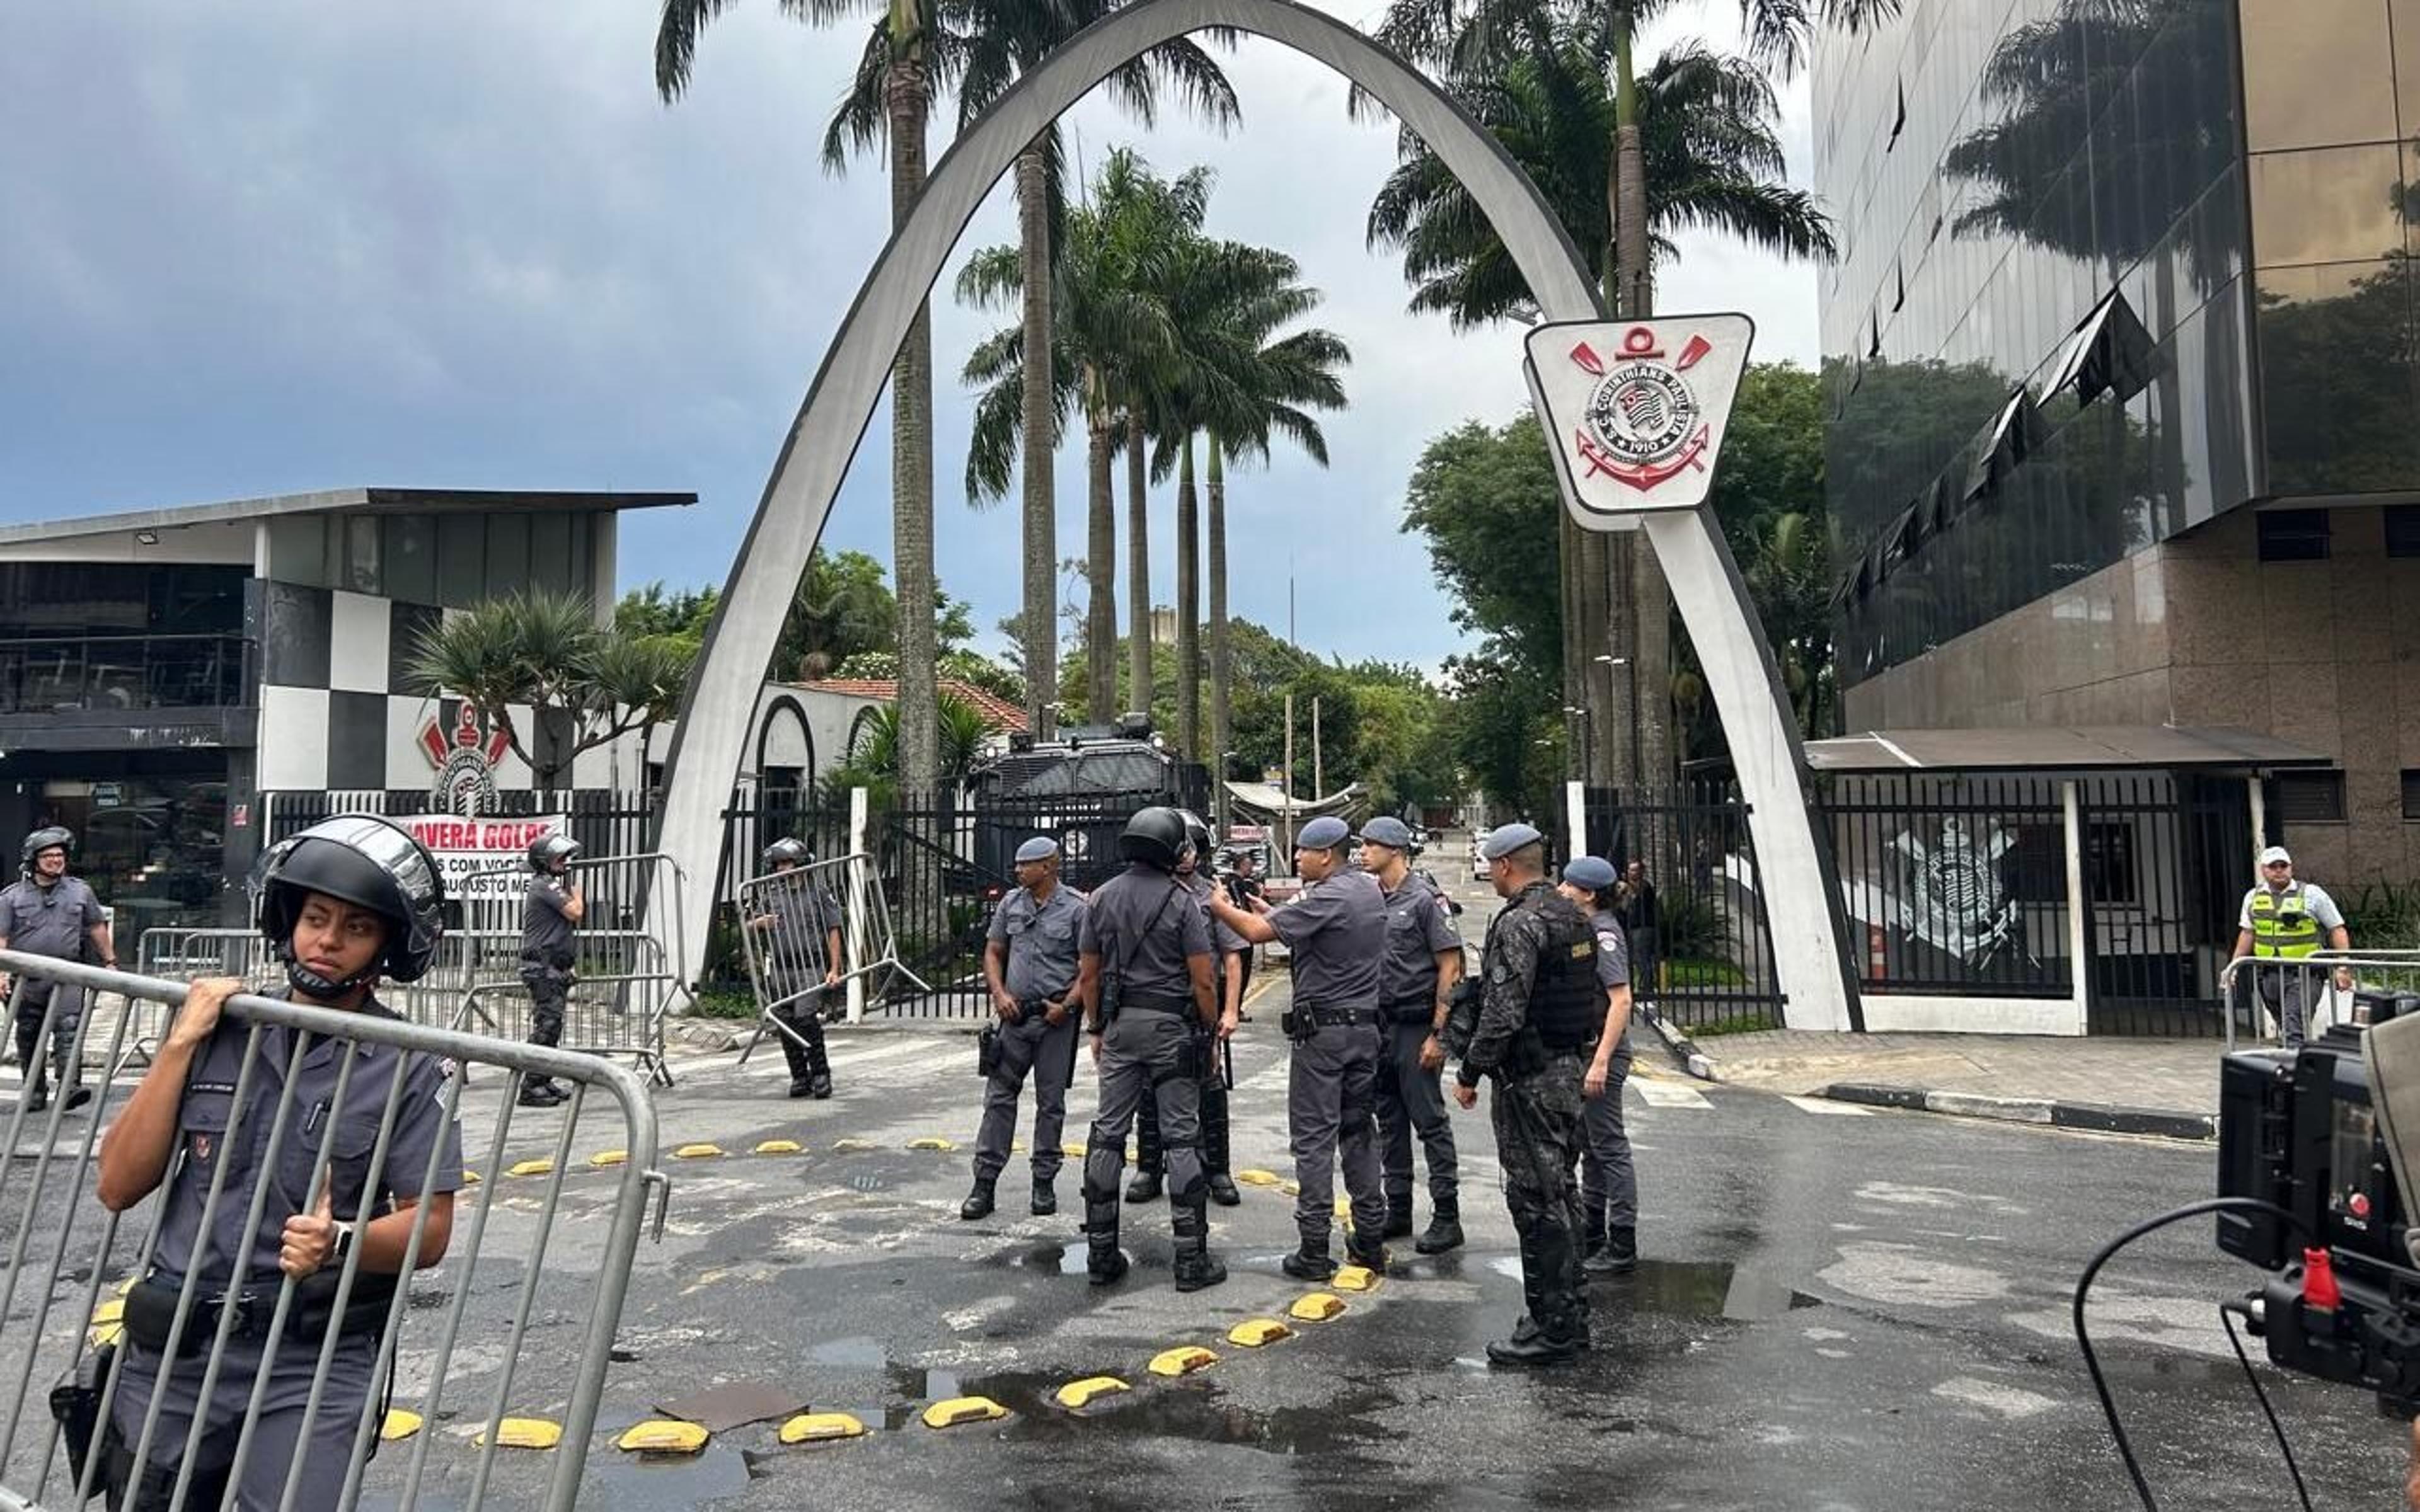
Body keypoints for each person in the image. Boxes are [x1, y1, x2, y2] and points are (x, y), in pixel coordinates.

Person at [93, 814, 463, 1508]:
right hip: (177, 1348)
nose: (328, 941)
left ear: (387, 945)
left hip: (310, 1360)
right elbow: (116, 1186)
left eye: (357, 928)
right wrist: (178, 1046)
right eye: (317, 917)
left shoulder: (410, 1063)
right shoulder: (221, 1031)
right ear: (287, 920)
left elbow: (430, 1229)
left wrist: (339, 1242)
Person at [1209, 814, 1391, 1281]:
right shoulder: (1366, 890)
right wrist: (1271, 913)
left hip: (1324, 1037)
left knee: (1313, 1138)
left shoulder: (1328, 896)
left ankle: (1313, 1247)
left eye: (1302, 851)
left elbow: (1251, 935)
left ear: (1326, 855)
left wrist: (1219, 905)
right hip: (1364, 1031)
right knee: (1359, 1132)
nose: (1295, 857)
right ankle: (1370, 1236)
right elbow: (1316, 934)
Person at [1444, 822, 1599, 1366]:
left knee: (1535, 1199)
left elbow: (1505, 1012)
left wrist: (1470, 1071)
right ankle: (1570, 1314)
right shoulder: (1571, 916)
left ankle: (1550, 1329)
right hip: (1567, 1069)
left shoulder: (1522, 922)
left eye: (1490, 864)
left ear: (1508, 864)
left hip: (1531, 1080)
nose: (1487, 873)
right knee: (1562, 1192)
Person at [1076, 807, 1228, 1292]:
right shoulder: (1183, 903)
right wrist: (1208, 1030)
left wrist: (1098, 1026)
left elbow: (1088, 975)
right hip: (1172, 1029)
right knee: (1181, 1136)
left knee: (1108, 1133)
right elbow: (1204, 978)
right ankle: (1190, 1259)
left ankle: (1101, 1255)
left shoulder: (1101, 899)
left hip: (1121, 1028)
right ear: (1172, 849)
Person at [1357, 815, 1465, 1255]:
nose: (1363, 852)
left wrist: (1440, 1033)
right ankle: (1397, 1208)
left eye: (1371, 845)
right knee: (1390, 1122)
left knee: (1430, 1121)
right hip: (1380, 1024)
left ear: (1396, 850)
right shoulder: (1371, 897)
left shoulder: (1424, 899)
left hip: (1417, 1023)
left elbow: (1451, 965)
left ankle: (1447, 1215)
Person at [962, 836, 1085, 1220]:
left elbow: (1090, 967)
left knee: (1051, 1104)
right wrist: (998, 994)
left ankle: (1043, 1183)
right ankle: (984, 1184)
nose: (1017, 871)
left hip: (1054, 1021)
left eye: (1024, 865)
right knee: (998, 1100)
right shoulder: (1010, 904)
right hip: (1014, 1019)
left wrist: (1066, 1006)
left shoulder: (1077, 909)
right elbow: (994, 952)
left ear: (1047, 867)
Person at [1128, 811, 1246, 1209]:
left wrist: (1230, 1012)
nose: (1184, 855)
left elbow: (1231, 958)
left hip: (1201, 1009)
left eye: (1190, 847)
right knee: (1150, 1090)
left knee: (1210, 1089)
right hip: (1160, 1009)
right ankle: (1148, 1166)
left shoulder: (1212, 895)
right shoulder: (1144, 890)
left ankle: (1218, 1169)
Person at [1559, 855, 1638, 1276]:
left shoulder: (1604, 934)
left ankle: (1622, 1241)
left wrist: (1601, 1061)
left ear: (1588, 894)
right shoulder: (1588, 929)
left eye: (1568, 885)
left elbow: (1621, 1000)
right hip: (1587, 1052)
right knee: (1590, 1146)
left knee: (1609, 1147)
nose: (1561, 890)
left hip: (1601, 1054)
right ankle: (1593, 1233)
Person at [3, 826, 116, 1114]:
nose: (56, 860)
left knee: (68, 1030)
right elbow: (1, 939)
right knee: (29, 1035)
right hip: (26, 980)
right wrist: (1, 974)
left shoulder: (81, 891)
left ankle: (69, 1088)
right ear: (33, 860)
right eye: (48, 855)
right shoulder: (11, 897)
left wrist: (110, 961)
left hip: (67, 976)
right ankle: (35, 1091)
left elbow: (96, 926)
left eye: (59, 854)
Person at [747, 838, 844, 1099]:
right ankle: (799, 1076)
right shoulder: (771, 894)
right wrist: (759, 923)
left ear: (800, 862)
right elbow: (750, 924)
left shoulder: (818, 892)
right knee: (785, 1021)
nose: (782, 869)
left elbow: (833, 930)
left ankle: (821, 1074)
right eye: (778, 864)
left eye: (787, 862)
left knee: (805, 1019)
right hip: (780, 968)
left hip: (809, 965)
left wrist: (834, 969)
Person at [2232, 845, 2352, 1048]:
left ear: (2291, 868)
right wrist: (2234, 967)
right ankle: (2300, 1063)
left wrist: (2344, 967)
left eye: (2283, 865)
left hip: (2305, 974)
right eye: (2273, 866)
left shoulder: (2312, 895)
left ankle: (2295, 1069)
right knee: (2287, 1026)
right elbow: (2247, 932)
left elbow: (2337, 929)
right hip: (2268, 975)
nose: (2279, 870)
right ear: (2264, 870)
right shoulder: (2252, 897)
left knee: (2294, 1024)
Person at [514, 833, 584, 1109]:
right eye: (558, 858)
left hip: (552, 968)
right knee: (546, 1026)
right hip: (541, 969)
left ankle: (543, 1079)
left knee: (553, 1026)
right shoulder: (544, 885)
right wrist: (578, 891)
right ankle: (530, 1086)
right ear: (544, 861)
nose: (564, 862)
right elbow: (575, 912)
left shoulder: (550, 885)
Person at [1220, 845, 1266, 1014]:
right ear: (1241, 865)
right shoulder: (1235, 883)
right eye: (1249, 865)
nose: (1251, 868)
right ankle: (1234, 1007)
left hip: (1240, 929)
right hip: (1240, 931)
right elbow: (1242, 904)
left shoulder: (1237, 882)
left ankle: (1234, 1006)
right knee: (1241, 970)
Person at [1617, 859, 1660, 1008]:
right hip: (1632, 927)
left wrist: (1626, 887)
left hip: (1644, 927)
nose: (1632, 873)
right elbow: (1624, 906)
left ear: (1642, 872)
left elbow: (1636, 892)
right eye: (1630, 870)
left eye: (1635, 870)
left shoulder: (1644, 886)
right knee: (1634, 958)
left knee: (1642, 958)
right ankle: (1637, 989)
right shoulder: (1628, 888)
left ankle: (1647, 991)